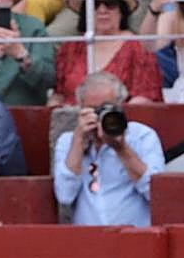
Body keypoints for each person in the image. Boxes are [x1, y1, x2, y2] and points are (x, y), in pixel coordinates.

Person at [53, 72, 164, 226]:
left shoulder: (142, 137)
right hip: (89, 241)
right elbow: (64, 195)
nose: (100, 116)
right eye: (93, 110)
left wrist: (122, 149)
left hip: (134, 237)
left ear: (120, 106)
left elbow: (155, 193)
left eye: (106, 109)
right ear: (80, 109)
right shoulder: (68, 141)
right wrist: (78, 141)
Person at [49, 0, 162, 105]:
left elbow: (145, 97)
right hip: (73, 122)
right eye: (95, 4)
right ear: (86, 12)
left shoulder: (138, 47)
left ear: (121, 11)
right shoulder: (70, 47)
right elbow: (58, 94)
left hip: (121, 121)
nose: (102, 10)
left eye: (110, 3)